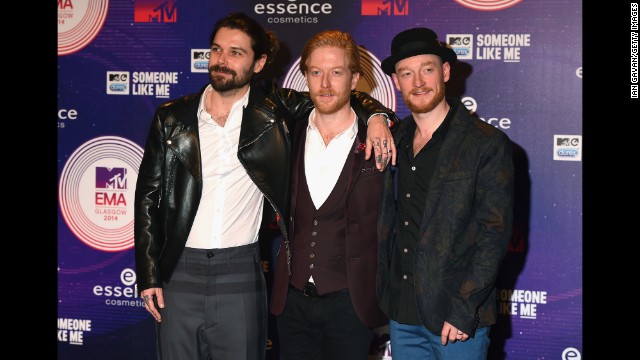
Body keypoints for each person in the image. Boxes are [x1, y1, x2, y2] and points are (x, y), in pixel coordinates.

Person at [134, 12, 397, 360]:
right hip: (178, 270)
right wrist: (149, 274)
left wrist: (378, 116)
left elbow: (337, 99)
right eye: (216, 50)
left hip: (241, 271)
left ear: (259, 63)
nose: (222, 61)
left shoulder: (274, 111)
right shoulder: (171, 118)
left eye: (236, 52)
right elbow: (147, 199)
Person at [377, 27, 515, 359]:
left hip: (455, 319)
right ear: (396, 82)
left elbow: (493, 234)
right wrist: (375, 116)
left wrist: (463, 307)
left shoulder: (485, 143)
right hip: (401, 313)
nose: (418, 81)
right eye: (406, 73)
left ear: (446, 72)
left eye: (427, 69)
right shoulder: (392, 140)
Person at [269, 30, 396, 360]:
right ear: (306, 76)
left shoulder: (382, 140)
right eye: (316, 72)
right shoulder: (286, 134)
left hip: (351, 301)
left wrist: (379, 116)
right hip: (291, 299)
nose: (325, 84)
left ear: (354, 78)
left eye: (336, 72)